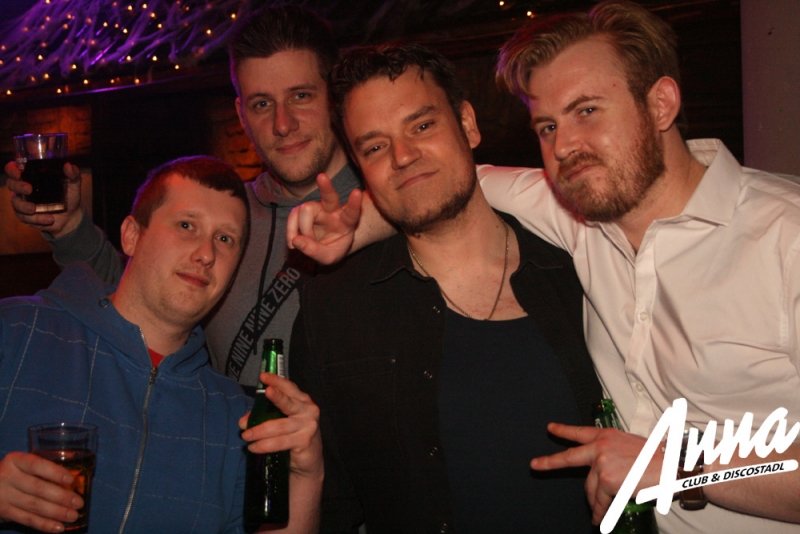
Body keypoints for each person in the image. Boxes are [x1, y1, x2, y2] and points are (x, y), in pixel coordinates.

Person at [287, 2, 800, 533]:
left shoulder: (787, 238)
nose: (564, 147)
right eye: (548, 125)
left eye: (587, 110)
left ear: (661, 103)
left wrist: (679, 466)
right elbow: (436, 181)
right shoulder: (577, 216)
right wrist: (354, 225)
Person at [289, 43, 601, 533]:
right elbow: (332, 505)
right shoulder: (334, 308)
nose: (403, 156)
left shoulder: (579, 268)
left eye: (421, 126)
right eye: (375, 147)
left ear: (468, 124)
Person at [4, 5, 361, 395]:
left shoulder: (383, 211)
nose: (282, 124)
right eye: (262, 104)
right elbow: (137, 294)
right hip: (224, 432)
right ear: (241, 115)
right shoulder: (229, 216)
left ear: (335, 97)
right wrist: (70, 227)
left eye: (301, 96)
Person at [0, 156, 322, 534]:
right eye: (186, 225)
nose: (206, 254)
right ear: (132, 236)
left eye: (225, 239)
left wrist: (306, 475)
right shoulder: (16, 331)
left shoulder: (235, 418)